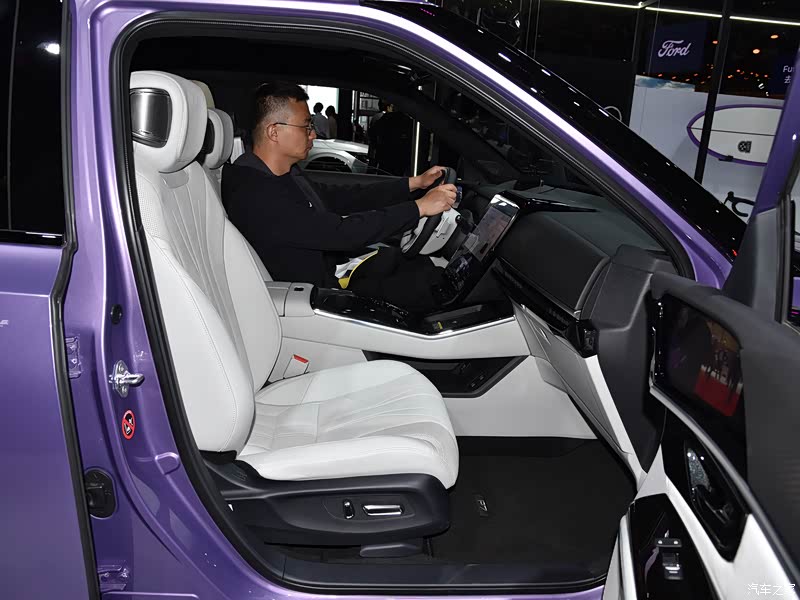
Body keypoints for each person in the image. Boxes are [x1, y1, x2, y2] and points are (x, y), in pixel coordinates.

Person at [223, 82, 457, 312]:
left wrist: (414, 183)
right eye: (305, 126)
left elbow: (341, 197)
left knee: (413, 267)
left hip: (328, 272)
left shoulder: (282, 174)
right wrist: (419, 208)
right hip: (315, 299)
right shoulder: (255, 193)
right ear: (274, 131)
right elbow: (340, 232)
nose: (313, 134)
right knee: (425, 288)